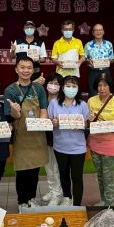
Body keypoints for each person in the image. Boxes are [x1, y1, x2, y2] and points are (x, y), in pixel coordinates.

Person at [4, 56, 49, 206]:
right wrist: (15, 110)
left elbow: (43, 109)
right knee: (22, 172)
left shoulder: (38, 88)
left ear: (33, 70)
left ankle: (31, 199)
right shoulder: (10, 90)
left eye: (29, 68)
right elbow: (13, 117)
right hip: (22, 136)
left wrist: (41, 124)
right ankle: (22, 201)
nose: (26, 70)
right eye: (22, 67)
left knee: (35, 171)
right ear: (16, 69)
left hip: (37, 136)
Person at [48, 76, 89, 206]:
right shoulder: (54, 103)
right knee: (63, 174)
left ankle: (77, 204)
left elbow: (87, 124)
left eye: (74, 86)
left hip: (78, 147)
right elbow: (49, 122)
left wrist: (84, 123)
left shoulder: (82, 104)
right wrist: (53, 122)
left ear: (78, 88)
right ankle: (67, 197)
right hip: (60, 146)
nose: (71, 88)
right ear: (62, 87)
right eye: (68, 86)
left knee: (77, 177)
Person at [87, 73, 114, 206]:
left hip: (110, 144)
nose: (102, 88)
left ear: (110, 87)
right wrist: (89, 120)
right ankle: (102, 200)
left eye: (105, 85)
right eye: (99, 85)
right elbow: (87, 122)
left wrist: (112, 128)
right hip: (95, 142)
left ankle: (109, 205)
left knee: (108, 176)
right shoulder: (91, 101)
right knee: (99, 175)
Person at [40, 73, 64, 205]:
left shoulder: (63, 101)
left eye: (56, 83)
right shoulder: (41, 97)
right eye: (51, 82)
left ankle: (58, 193)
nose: (53, 86)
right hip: (44, 137)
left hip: (59, 138)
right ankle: (52, 189)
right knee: (48, 166)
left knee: (56, 167)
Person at [9, 20, 47, 84]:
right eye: (27, 27)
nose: (29, 29)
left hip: (35, 73)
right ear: (24, 29)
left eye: (31, 28)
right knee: (20, 89)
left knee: (35, 89)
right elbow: (12, 56)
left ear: (35, 29)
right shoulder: (17, 42)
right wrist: (12, 51)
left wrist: (38, 59)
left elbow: (43, 59)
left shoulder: (40, 43)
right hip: (21, 72)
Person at [84, 23, 114, 97]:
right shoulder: (88, 45)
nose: (98, 32)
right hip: (93, 72)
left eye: (100, 30)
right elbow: (85, 60)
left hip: (105, 71)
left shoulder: (108, 44)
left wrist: (108, 61)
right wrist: (88, 61)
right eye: (96, 30)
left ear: (103, 32)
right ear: (93, 33)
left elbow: (112, 59)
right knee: (93, 92)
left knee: (105, 92)